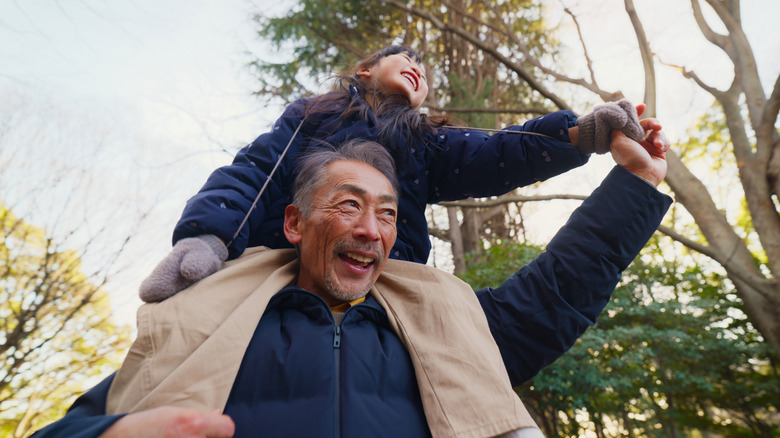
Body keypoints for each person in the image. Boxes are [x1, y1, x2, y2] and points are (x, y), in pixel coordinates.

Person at [33, 130, 672, 437]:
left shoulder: (443, 327)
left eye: (388, 213)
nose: (372, 230)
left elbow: (553, 294)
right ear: (294, 221)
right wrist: (108, 435)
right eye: (348, 205)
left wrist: (637, 184)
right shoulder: (205, 326)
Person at [138, 45, 656, 302]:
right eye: (403, 58)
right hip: (284, 265)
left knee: (462, 352)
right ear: (365, 70)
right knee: (196, 326)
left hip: (389, 280)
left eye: (424, 71)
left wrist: (579, 134)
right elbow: (255, 171)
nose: (417, 68)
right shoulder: (313, 115)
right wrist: (209, 237)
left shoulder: (425, 140)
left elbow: (499, 152)